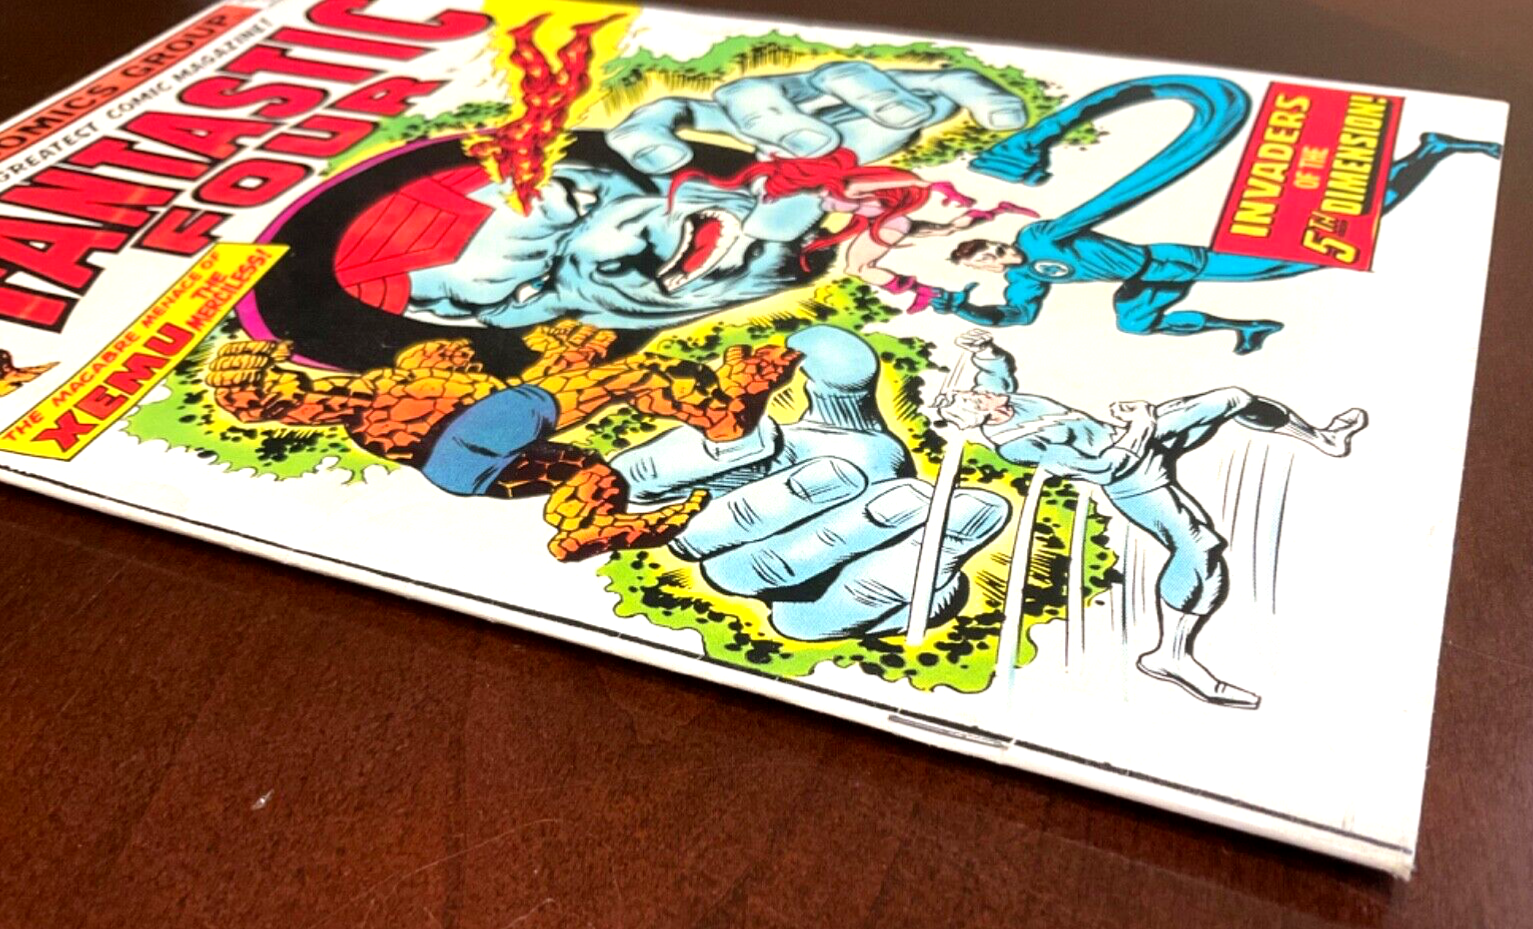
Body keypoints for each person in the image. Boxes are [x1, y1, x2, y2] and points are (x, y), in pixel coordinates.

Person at [933, 330, 1369, 707]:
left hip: (1141, 438)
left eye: (977, 391)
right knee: (1198, 549)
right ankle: (1170, 655)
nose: (981, 392)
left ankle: (1323, 438)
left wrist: (985, 349)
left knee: (1233, 398)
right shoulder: (1017, 445)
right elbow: (1108, 468)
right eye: (974, 398)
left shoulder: (1005, 401)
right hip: (1135, 479)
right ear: (977, 416)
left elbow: (996, 373)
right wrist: (1142, 423)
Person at [924, 75, 1503, 353]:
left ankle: (1430, 151)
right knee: (1133, 324)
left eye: (992, 245)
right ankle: (1244, 328)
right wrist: (965, 309)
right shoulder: (1025, 279)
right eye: (988, 258)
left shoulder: (1041, 236)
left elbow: (1105, 203)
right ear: (987, 269)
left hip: (1168, 262)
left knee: (1305, 256)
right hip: (1143, 283)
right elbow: (1017, 317)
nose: (999, 253)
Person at [669, 147, 1034, 311]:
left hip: (887, 224)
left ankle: (926, 293)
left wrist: (931, 185)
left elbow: (868, 188)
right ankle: (990, 215)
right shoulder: (830, 192)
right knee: (940, 231)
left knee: (858, 267)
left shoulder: (845, 189)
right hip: (889, 221)